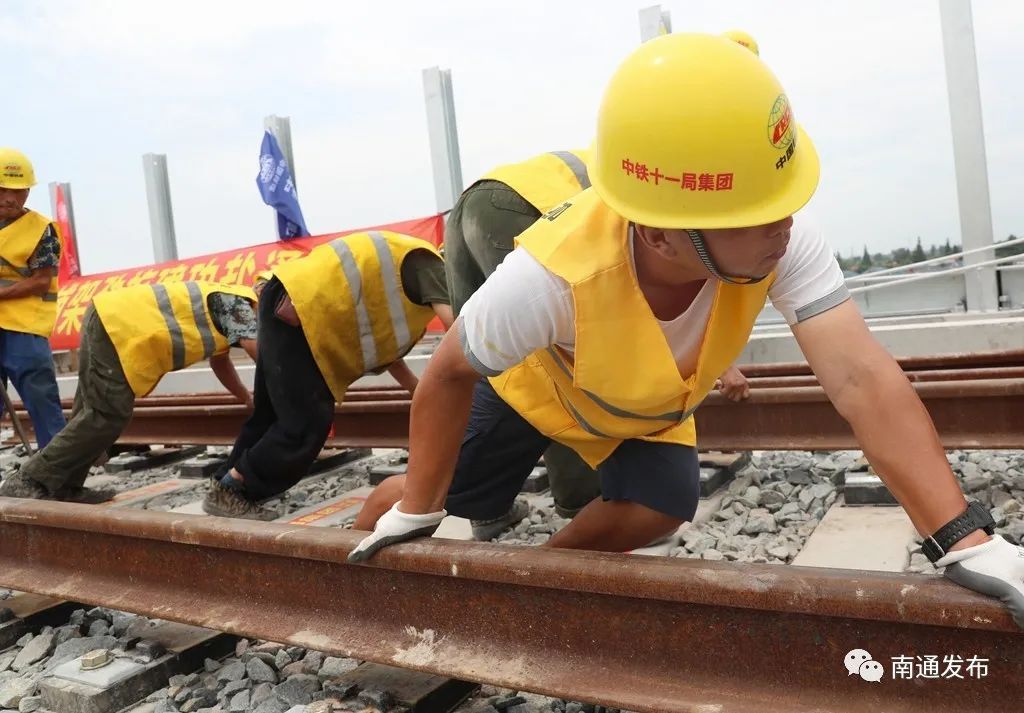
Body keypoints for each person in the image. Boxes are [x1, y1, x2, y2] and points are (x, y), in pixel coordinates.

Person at [346, 34, 1024, 629]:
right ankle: (372, 522)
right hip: (545, 386)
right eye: (758, 214)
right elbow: (449, 371)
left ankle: (533, 582)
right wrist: (419, 509)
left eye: (783, 201)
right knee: (458, 493)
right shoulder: (549, 279)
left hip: (641, 397)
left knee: (664, 500)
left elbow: (861, 377)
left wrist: (965, 538)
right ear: (664, 233)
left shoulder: (780, 237)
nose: (785, 223)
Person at [447, 149, 751, 536]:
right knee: (554, 364)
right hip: (525, 208)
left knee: (489, 359)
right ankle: (578, 499)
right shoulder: (691, 205)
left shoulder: (661, 175)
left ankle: (483, 503)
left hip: (477, 205)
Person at [202, 230, 454, 520]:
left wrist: (415, 387)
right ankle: (232, 489)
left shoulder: (412, 271)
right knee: (305, 424)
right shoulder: (433, 267)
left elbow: (386, 348)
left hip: (287, 300)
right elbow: (456, 330)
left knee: (272, 415)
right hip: (300, 311)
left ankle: (226, 486)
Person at [0, 280, 257, 502]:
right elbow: (260, 352)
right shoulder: (240, 304)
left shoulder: (231, 307)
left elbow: (220, 361)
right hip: (116, 326)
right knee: (107, 415)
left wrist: (246, 397)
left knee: (91, 413)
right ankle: (30, 479)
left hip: (111, 320)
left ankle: (65, 485)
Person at [0, 148, 67, 449]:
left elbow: (42, 280)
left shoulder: (42, 230)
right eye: (2, 189)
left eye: (18, 190)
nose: (10, 198)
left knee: (41, 400)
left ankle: (59, 475)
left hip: (25, 330)